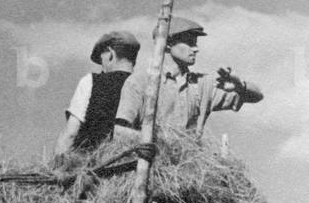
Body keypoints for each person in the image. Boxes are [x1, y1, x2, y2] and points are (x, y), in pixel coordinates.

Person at [113, 17, 262, 133]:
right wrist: (154, 143)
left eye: (195, 43)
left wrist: (240, 85)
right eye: (190, 43)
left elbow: (256, 96)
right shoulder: (140, 82)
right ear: (169, 43)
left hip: (188, 166)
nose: (196, 49)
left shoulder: (202, 84)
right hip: (151, 166)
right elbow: (120, 132)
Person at [53, 30, 140, 160]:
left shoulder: (91, 81)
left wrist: (56, 167)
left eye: (101, 59)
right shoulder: (143, 87)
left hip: (91, 169)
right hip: (128, 166)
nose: (102, 66)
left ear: (110, 54)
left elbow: (71, 133)